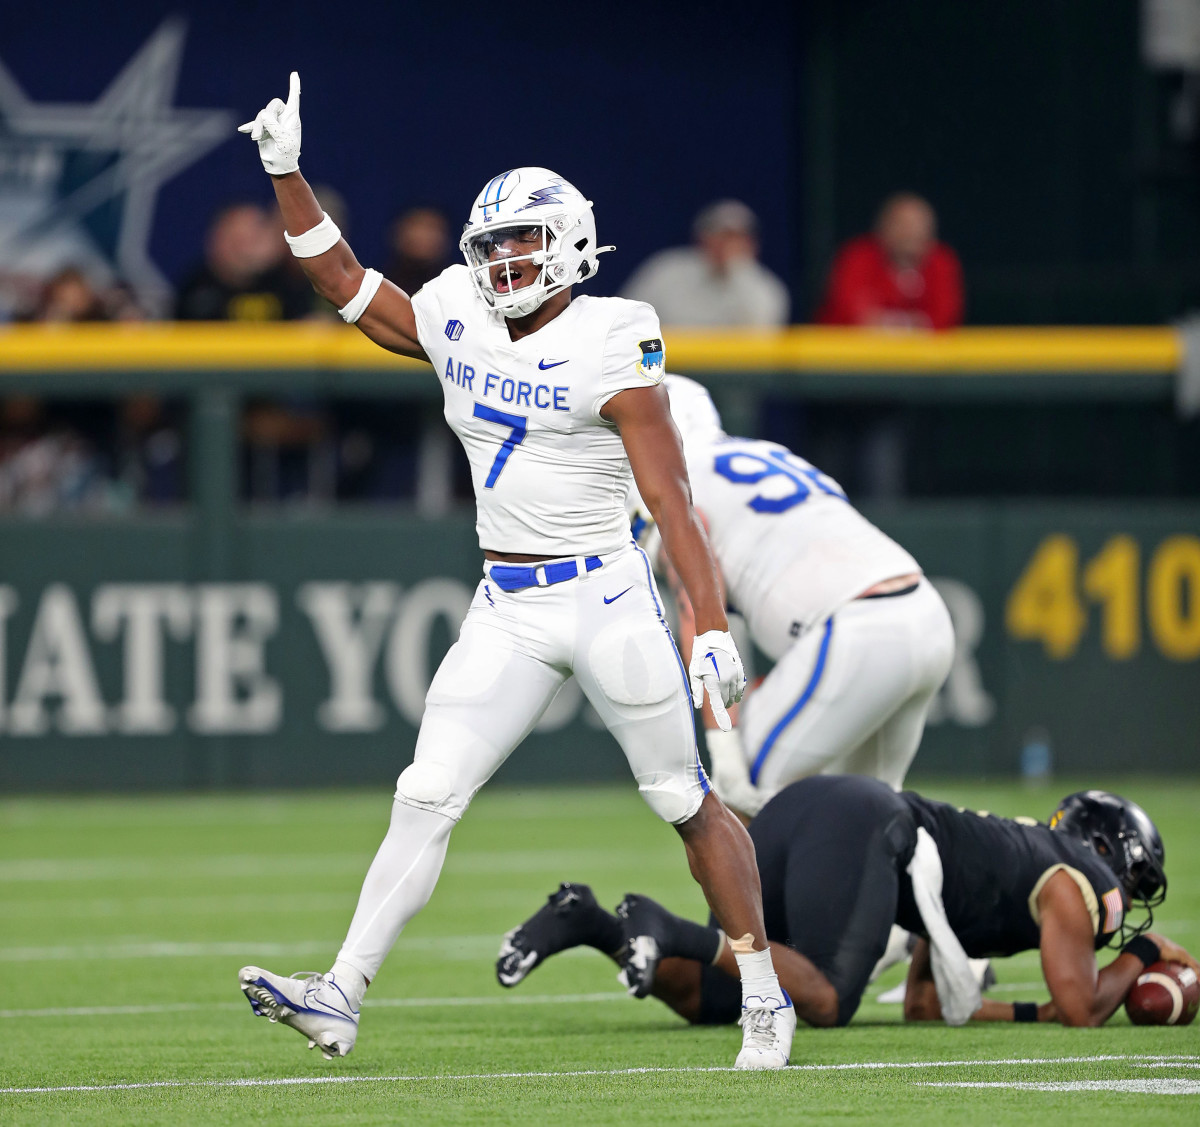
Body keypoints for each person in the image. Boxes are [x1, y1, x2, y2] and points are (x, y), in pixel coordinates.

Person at [234, 72, 794, 1070]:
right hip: (509, 603)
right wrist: (288, 173)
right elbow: (350, 287)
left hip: (610, 591)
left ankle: (763, 992)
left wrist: (708, 626)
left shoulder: (614, 336)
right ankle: (341, 992)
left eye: (523, 244)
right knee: (427, 789)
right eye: (490, 247)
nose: (503, 264)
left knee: (682, 797)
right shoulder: (456, 310)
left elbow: (673, 502)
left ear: (572, 243)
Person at [498, 777, 1198, 1031]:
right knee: (828, 997)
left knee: (716, 1000)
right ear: (1109, 853)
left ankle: (591, 919)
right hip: (864, 822)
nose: (1130, 902)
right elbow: (1082, 1008)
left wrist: (1026, 1010)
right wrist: (1146, 952)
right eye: (1136, 884)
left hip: (813, 807)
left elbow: (927, 1003)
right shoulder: (1075, 880)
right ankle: (664, 922)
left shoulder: (1018, 865)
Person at [631, 376, 954, 819]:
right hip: (927, 614)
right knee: (874, 829)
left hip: (859, 631)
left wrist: (724, 751)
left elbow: (698, 613)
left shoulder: (684, 482)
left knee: (742, 806)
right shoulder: (767, 453)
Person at [620, 200, 789, 327]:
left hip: (732, 371)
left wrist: (739, 270)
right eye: (720, 235)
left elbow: (763, 332)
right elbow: (625, 319)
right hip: (665, 366)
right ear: (702, 237)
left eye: (737, 237)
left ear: (752, 244)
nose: (727, 244)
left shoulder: (764, 287)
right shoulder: (666, 270)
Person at [816, 193, 963, 330]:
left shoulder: (941, 261)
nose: (910, 233)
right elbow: (850, 312)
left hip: (921, 355)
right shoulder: (858, 256)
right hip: (852, 353)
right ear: (883, 227)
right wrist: (909, 324)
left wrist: (895, 324)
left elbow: (946, 316)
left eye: (918, 225)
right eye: (902, 224)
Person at [175, 201, 312, 321]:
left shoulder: (286, 284)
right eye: (238, 242)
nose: (246, 251)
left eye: (254, 240)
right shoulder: (197, 291)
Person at [383, 206, 453, 296]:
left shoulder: (457, 287)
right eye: (418, 226)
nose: (424, 236)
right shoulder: (381, 288)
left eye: (431, 228)